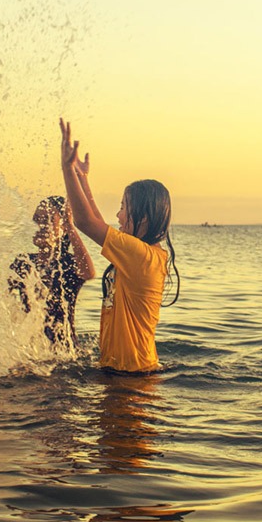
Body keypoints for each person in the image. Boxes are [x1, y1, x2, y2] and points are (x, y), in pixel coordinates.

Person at [57, 118, 179, 373]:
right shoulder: (140, 253)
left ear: (143, 217)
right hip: (124, 373)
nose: (119, 215)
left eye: (124, 208)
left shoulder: (141, 256)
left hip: (132, 378)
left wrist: (67, 170)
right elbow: (97, 222)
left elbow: (86, 222)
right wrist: (82, 178)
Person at [8, 196, 96, 348]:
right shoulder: (23, 262)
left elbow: (88, 273)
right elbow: (2, 296)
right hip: (31, 350)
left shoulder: (67, 265)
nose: (40, 225)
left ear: (63, 228)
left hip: (64, 351)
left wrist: (69, 225)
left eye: (47, 220)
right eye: (37, 220)